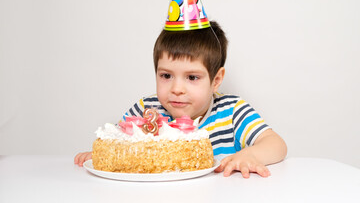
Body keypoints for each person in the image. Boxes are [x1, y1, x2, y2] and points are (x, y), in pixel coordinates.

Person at [75, 21, 287, 178]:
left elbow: (276, 144)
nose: (176, 89)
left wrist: (251, 155)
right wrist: (100, 155)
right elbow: (118, 141)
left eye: (192, 77)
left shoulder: (232, 111)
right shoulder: (146, 110)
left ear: (216, 80)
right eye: (166, 76)